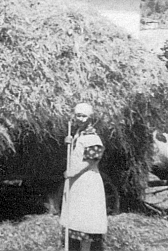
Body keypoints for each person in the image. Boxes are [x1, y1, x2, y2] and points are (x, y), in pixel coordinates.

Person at [60, 103, 107, 251]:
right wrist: (70, 140)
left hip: (88, 181)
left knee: (86, 218)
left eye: (84, 116)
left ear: (90, 117)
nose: (80, 118)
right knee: (76, 215)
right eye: (78, 115)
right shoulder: (80, 133)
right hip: (78, 182)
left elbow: (90, 161)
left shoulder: (93, 137)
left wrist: (72, 172)